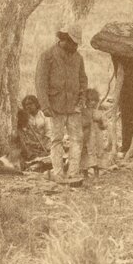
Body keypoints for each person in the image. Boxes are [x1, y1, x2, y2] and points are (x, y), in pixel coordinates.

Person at [35, 23, 88, 181]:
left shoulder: (78, 58)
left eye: (77, 43)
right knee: (56, 140)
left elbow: (83, 80)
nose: (76, 46)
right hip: (55, 106)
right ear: (64, 39)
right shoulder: (47, 56)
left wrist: (82, 99)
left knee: (77, 139)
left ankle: (73, 172)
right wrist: (44, 105)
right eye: (73, 43)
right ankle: (58, 173)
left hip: (74, 107)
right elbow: (40, 82)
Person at [80, 87, 107, 178]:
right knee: (85, 152)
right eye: (90, 100)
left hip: (97, 137)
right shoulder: (82, 112)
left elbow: (105, 124)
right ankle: (85, 173)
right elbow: (80, 123)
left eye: (94, 101)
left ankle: (96, 174)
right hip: (87, 136)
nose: (92, 103)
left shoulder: (99, 113)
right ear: (86, 101)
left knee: (97, 152)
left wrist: (101, 123)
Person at [17, 94, 49, 161]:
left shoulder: (43, 115)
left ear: (36, 104)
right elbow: (22, 133)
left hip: (44, 143)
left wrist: (43, 143)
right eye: (26, 105)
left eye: (30, 104)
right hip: (31, 145)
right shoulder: (24, 117)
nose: (28, 106)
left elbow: (49, 132)